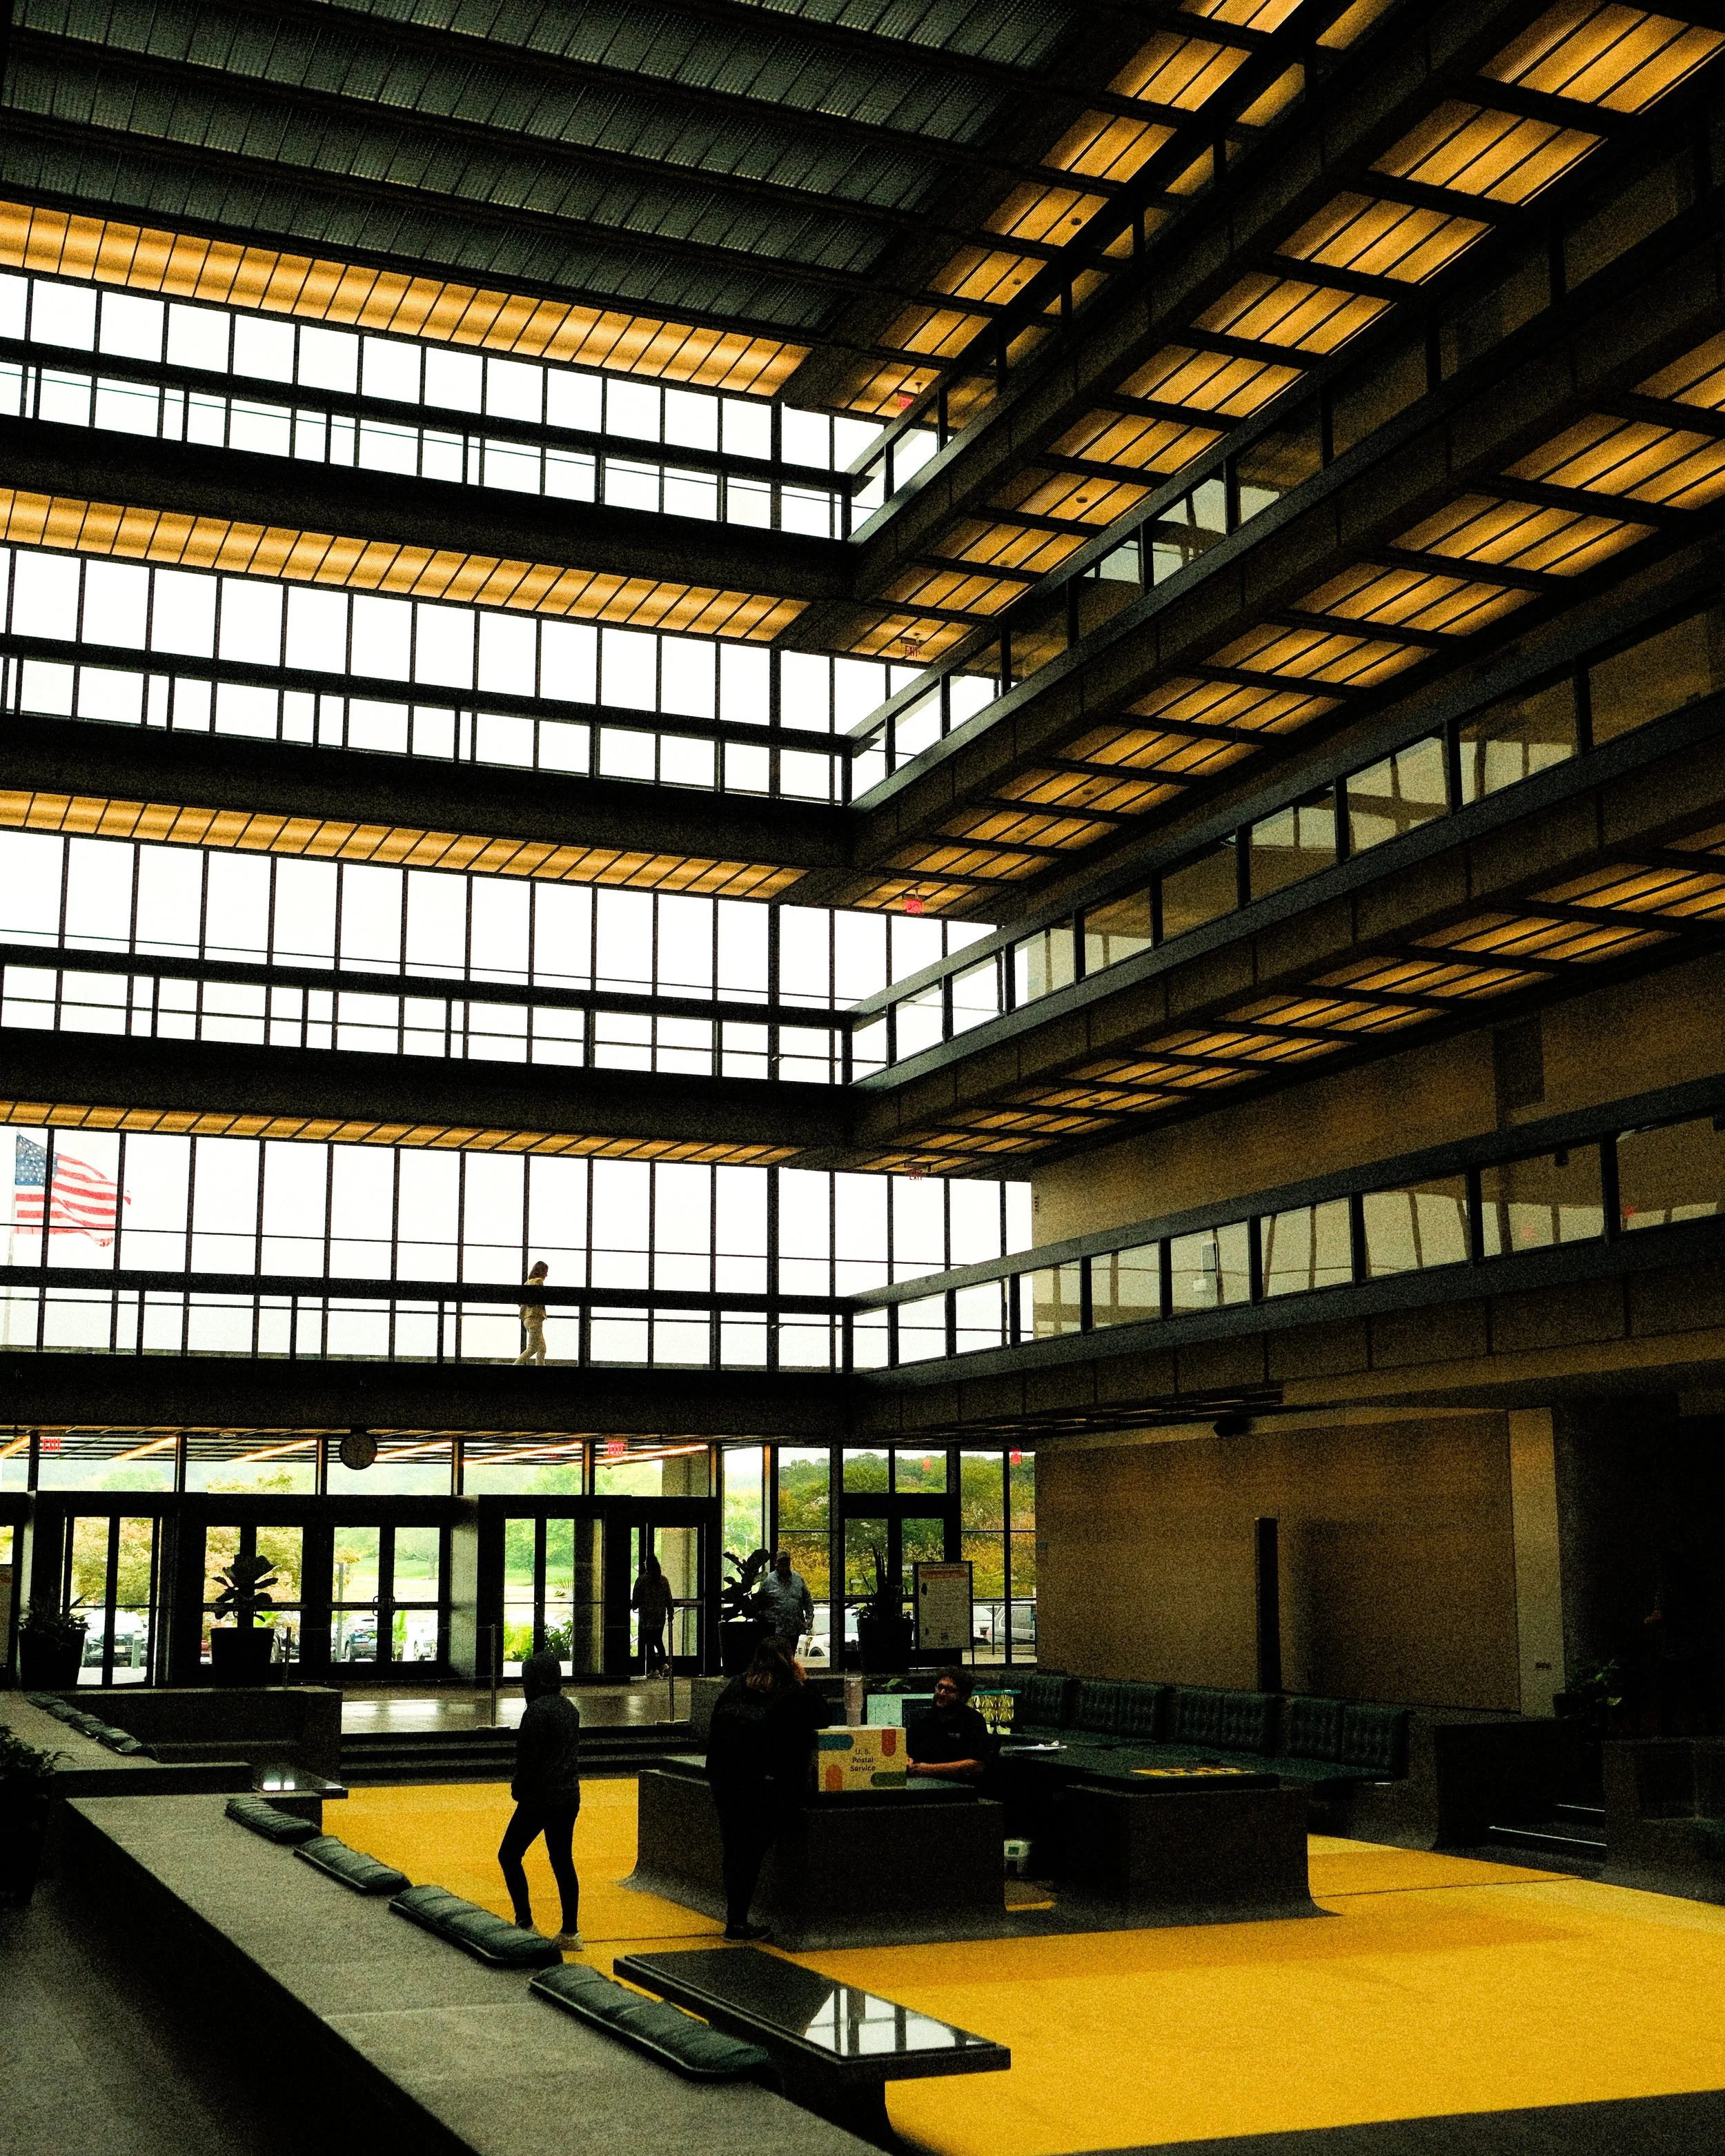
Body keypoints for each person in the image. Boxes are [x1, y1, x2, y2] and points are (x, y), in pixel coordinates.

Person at [704, 1635, 828, 1940]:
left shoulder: (737, 1685)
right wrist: (804, 1680)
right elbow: (822, 1716)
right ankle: (738, 1924)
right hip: (766, 1785)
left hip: (726, 1779)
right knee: (751, 1852)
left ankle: (735, 1916)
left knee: (734, 1849)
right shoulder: (791, 1690)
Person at [497, 1650, 582, 1946]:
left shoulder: (535, 1712)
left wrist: (518, 1789)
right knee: (562, 1861)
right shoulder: (570, 1709)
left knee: (509, 1855)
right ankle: (570, 1930)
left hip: (540, 1798)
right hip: (568, 1795)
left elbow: (529, 1759)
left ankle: (525, 1921)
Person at [906, 1666, 996, 1781]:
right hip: (920, 1784)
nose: (942, 1693)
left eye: (949, 1690)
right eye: (940, 1687)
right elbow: (907, 1749)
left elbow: (977, 1765)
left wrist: (930, 1770)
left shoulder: (973, 1721)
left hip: (959, 1788)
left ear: (963, 1696)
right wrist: (905, 1759)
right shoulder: (924, 1719)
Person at [756, 1550, 814, 1648]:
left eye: (787, 1560)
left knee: (790, 1659)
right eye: (781, 1560)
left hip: (794, 1629)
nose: (784, 1563)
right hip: (775, 1631)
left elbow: (807, 1599)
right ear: (775, 1562)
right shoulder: (768, 1581)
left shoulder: (798, 1579)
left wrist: (810, 1618)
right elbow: (759, 1603)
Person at [631, 1552, 676, 1675]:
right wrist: (670, 1612)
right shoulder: (663, 1580)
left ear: (647, 1565)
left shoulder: (641, 1580)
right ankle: (665, 1665)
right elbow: (669, 1598)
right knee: (658, 1640)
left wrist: (634, 1606)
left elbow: (636, 1598)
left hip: (646, 1617)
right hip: (660, 1617)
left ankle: (654, 1669)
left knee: (649, 1643)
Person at [516, 1260, 549, 1365]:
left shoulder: (527, 1282)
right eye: (545, 1272)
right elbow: (541, 1297)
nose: (546, 1275)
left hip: (527, 1319)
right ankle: (515, 1366)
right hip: (535, 1318)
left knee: (542, 1348)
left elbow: (520, 1302)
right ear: (541, 1271)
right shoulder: (538, 1281)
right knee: (534, 1347)